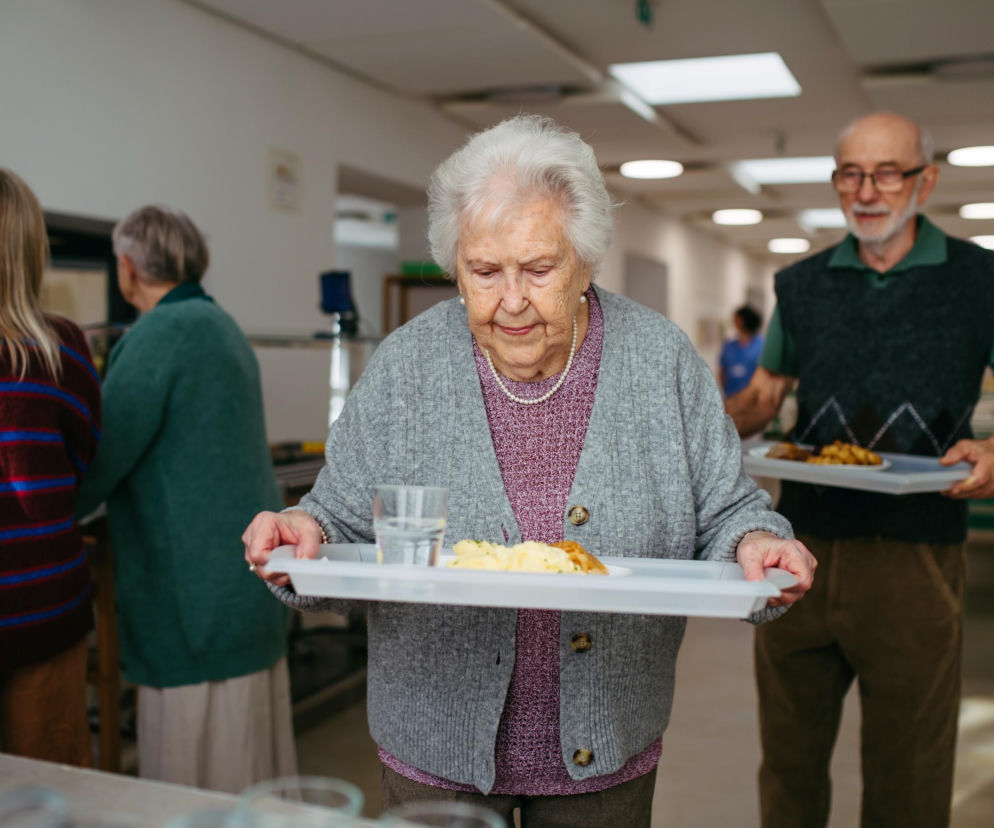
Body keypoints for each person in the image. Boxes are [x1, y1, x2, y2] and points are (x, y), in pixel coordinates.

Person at [243, 114, 816, 827]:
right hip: (434, 755)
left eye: (539, 270)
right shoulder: (405, 367)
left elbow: (729, 509)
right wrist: (302, 529)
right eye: (483, 272)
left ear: (585, 262)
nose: (511, 300)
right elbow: (339, 515)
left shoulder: (660, 362)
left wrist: (754, 541)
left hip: (606, 754)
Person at [726, 111, 994, 828]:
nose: (866, 190)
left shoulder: (980, 279)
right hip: (797, 550)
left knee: (910, 775)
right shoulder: (803, 285)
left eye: (886, 172)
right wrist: (690, 429)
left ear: (925, 180)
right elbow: (763, 399)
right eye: (850, 173)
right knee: (788, 767)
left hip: (916, 559)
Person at [74, 205, 296, 792]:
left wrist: (45, 507)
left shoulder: (160, 334)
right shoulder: (219, 325)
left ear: (127, 269)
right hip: (240, 590)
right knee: (250, 769)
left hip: (191, 598)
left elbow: (103, 454)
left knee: (195, 787)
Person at [0, 169, 101, 766]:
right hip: (45, 603)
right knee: (53, 794)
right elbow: (81, 459)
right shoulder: (62, 347)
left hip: (39, 604)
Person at [719, 305, 763, 397]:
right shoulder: (729, 346)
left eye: (736, 318)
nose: (733, 321)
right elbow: (723, 371)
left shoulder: (761, 345)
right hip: (731, 396)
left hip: (754, 398)